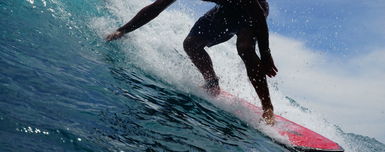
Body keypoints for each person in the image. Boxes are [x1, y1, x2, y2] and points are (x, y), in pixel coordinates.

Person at [106, 0, 278, 124]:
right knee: (191, 44)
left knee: (245, 49)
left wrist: (266, 54)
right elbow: (156, 8)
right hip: (226, 9)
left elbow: (258, 17)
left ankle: (267, 108)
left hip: (253, 11)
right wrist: (123, 30)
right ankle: (212, 83)